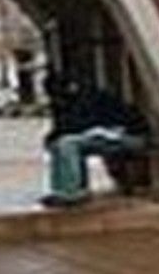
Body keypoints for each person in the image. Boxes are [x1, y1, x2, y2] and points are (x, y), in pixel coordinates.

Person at [40, 75, 149, 207]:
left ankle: (72, 192)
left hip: (128, 136)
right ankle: (60, 190)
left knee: (68, 144)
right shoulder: (65, 104)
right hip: (101, 137)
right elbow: (66, 128)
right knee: (59, 145)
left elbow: (80, 126)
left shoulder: (92, 100)